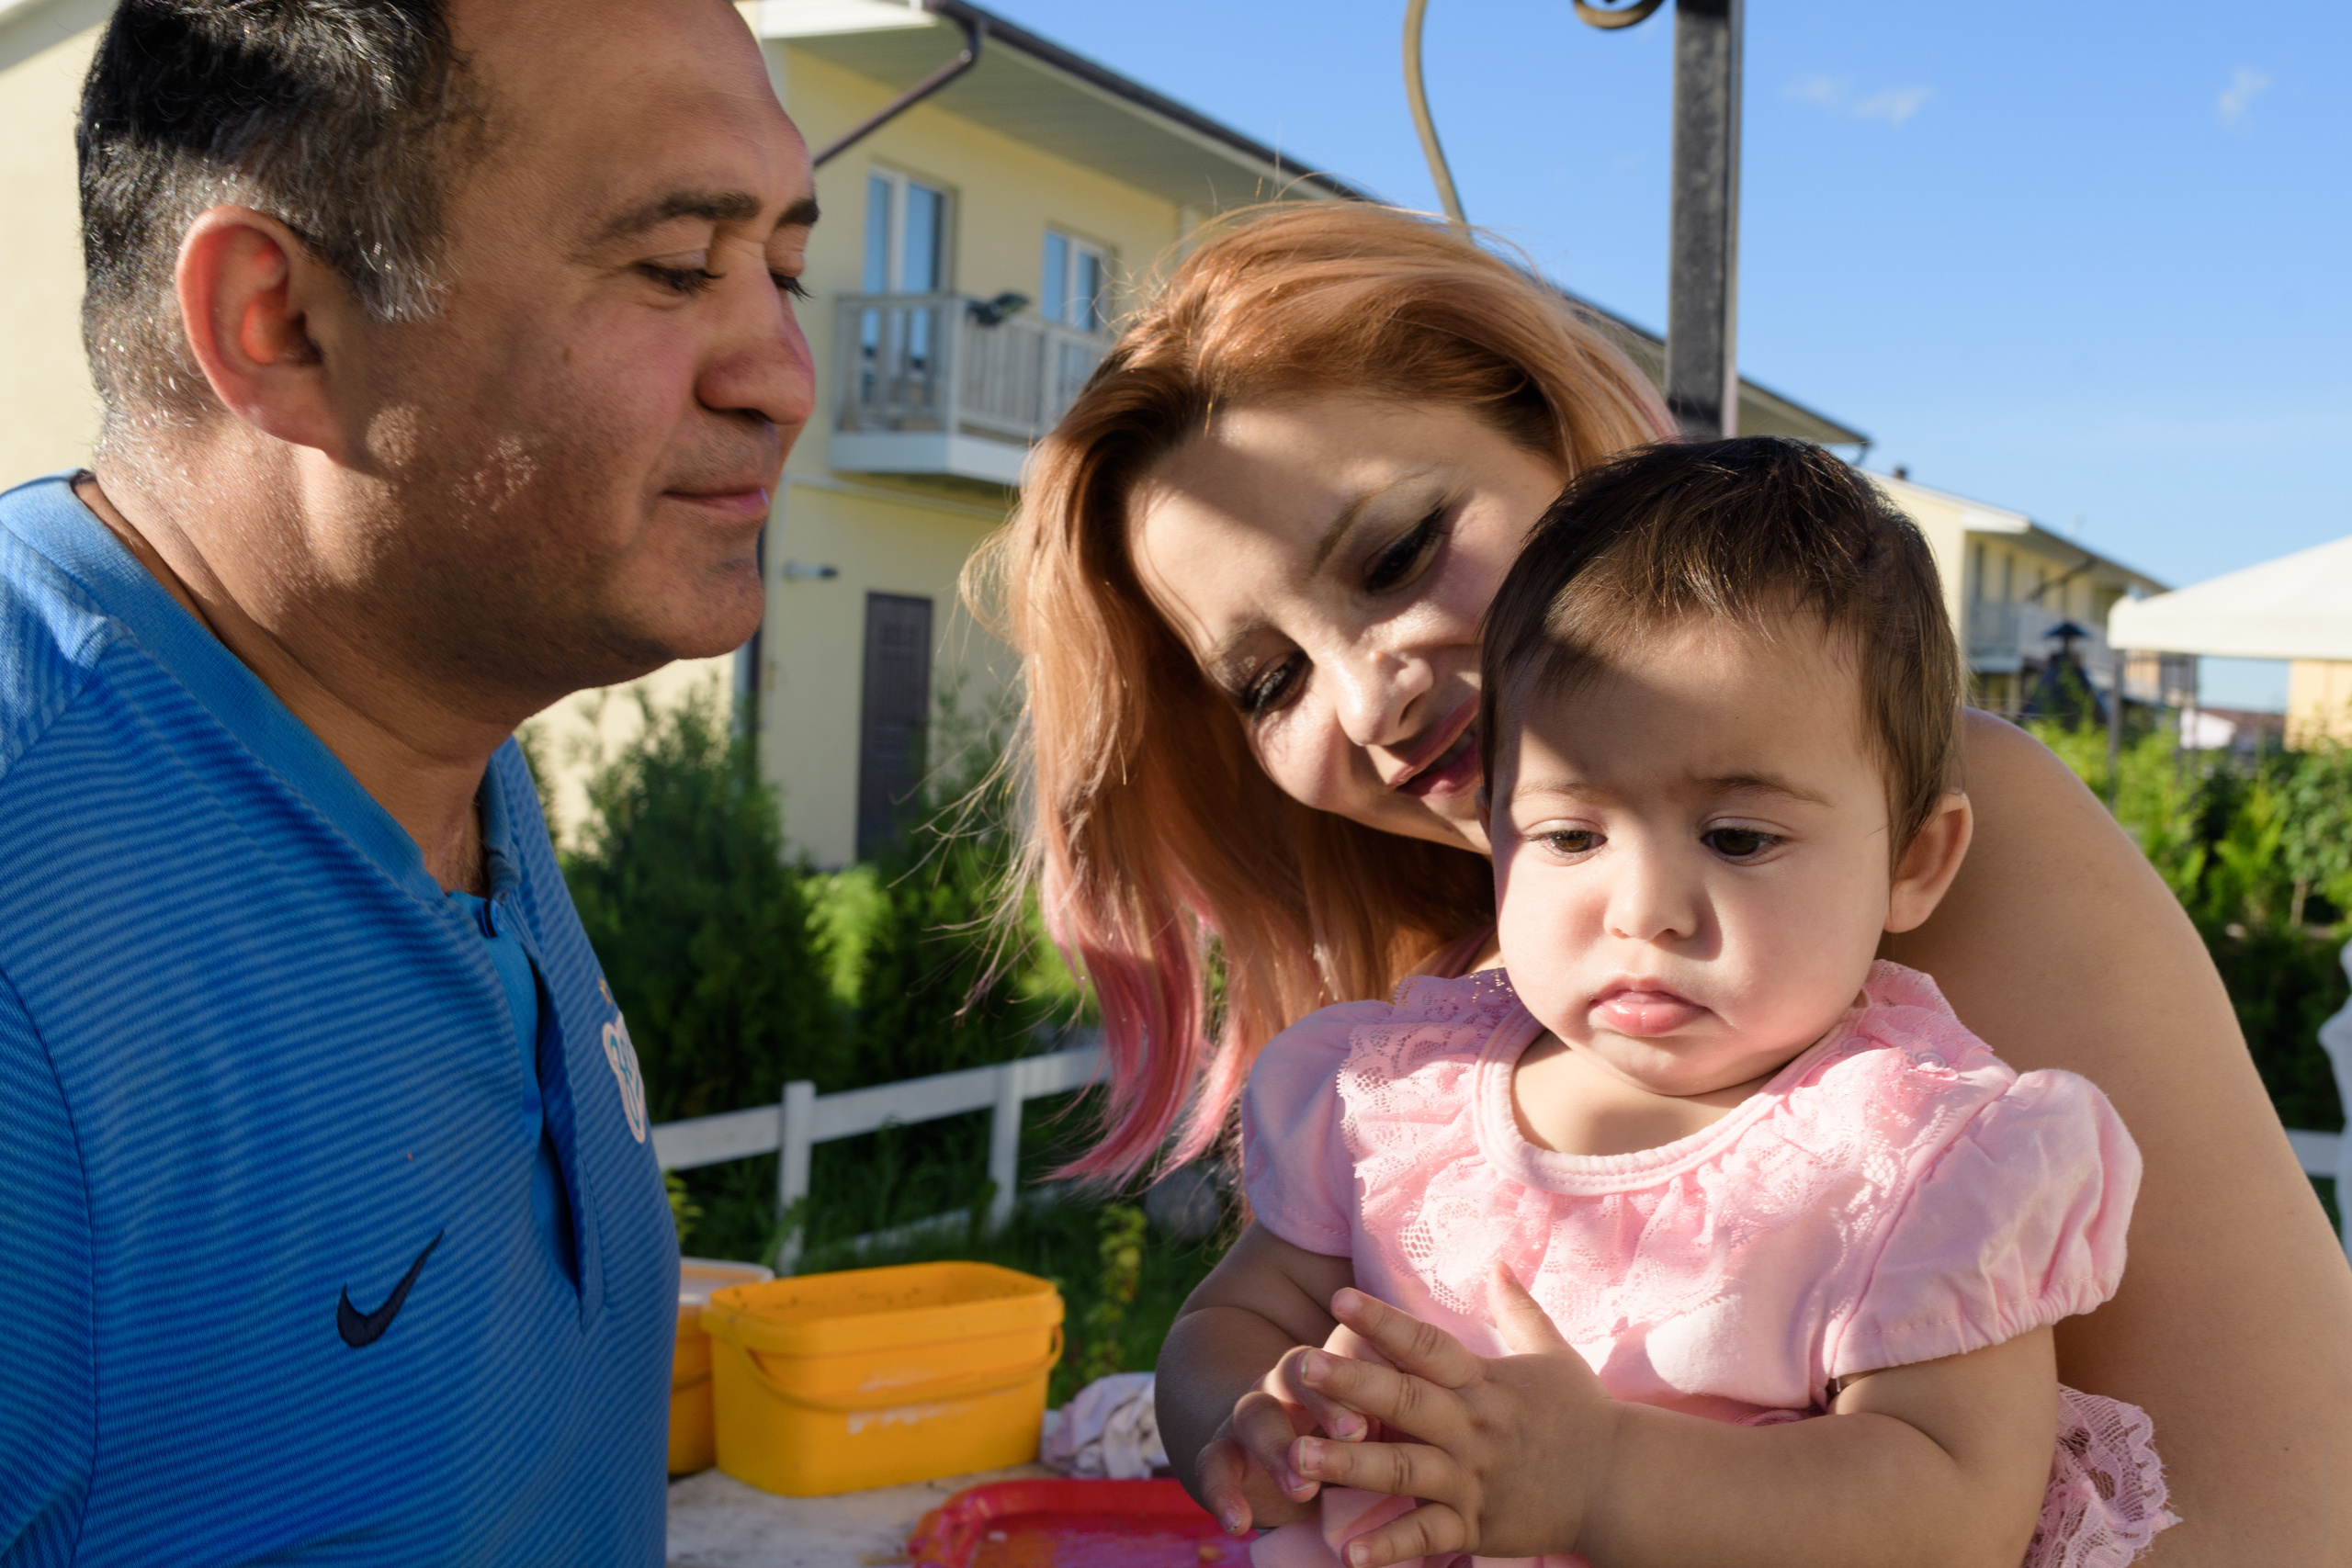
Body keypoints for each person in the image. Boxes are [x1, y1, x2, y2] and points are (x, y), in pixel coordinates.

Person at [976, 201, 2352, 1559]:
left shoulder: (1931, 871)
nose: (1368, 692)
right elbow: (1258, 1326)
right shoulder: (1436, 1043)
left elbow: (2274, 1495)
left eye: (1396, 553)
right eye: (1269, 679)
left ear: (1564, 444)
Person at [0, 0, 816, 1560]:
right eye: (673, 267)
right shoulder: (34, 920)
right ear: (279, 324)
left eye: (783, 267)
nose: (784, 377)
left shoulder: (426, 733)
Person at [1225, 436, 2167, 1568]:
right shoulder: (1395, 1097)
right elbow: (1239, 1318)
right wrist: (1250, 1418)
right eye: (1569, 835)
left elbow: (1950, 1503)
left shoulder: (1918, 1157)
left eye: (1736, 837)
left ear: (1914, 861)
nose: (1645, 910)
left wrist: (1605, 1478)